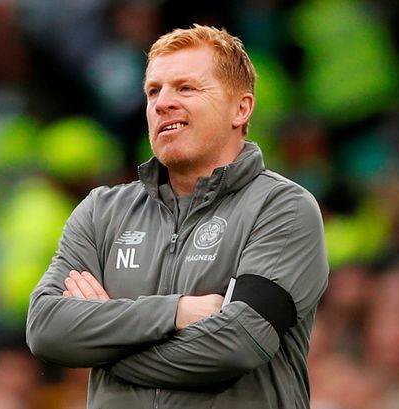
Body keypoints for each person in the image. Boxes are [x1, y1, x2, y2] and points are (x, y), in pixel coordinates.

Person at [26, 24, 329, 408]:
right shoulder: (102, 212)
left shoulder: (282, 207)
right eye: (154, 91)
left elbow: (239, 343)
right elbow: (46, 328)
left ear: (241, 108)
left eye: (186, 88)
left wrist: (106, 349)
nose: (162, 103)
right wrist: (176, 312)